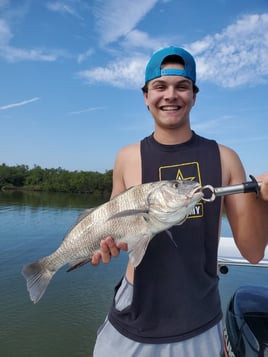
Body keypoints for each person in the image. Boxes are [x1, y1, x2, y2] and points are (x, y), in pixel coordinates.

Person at [92, 46, 268, 356]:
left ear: (194, 96)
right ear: (146, 96)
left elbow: (253, 253)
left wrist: (263, 200)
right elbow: (112, 229)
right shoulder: (126, 158)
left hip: (199, 318)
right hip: (133, 316)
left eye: (181, 86)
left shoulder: (225, 158)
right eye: (160, 86)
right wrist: (104, 246)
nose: (170, 95)